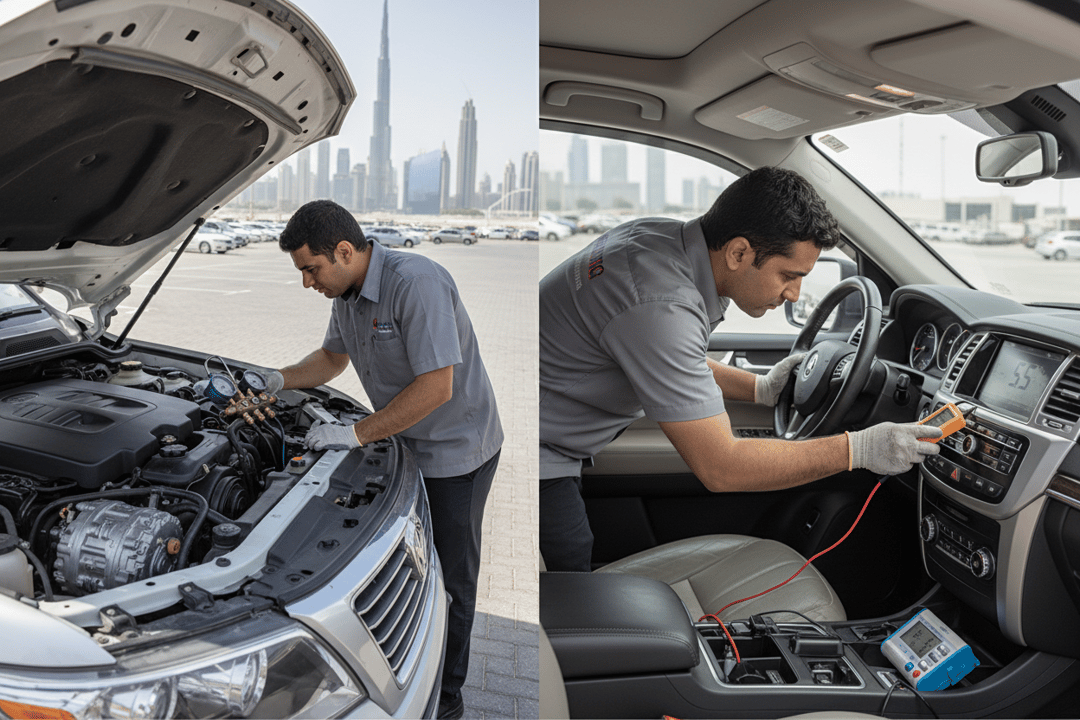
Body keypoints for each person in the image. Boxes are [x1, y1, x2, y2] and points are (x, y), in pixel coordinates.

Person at [538, 167, 941, 572]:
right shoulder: (659, 305)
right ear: (738, 253)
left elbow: (672, 361)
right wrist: (861, 449)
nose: (794, 294)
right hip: (538, 450)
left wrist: (761, 389)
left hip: (547, 434)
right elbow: (721, 467)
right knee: (569, 578)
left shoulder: (655, 239)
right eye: (789, 275)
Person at [267, 200, 502, 719]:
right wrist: (276, 380)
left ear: (345, 251)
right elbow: (331, 358)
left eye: (311, 269)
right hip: (405, 444)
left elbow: (437, 387)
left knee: (452, 581)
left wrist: (353, 434)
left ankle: (449, 699)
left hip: (455, 452)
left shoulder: (416, 283)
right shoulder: (347, 292)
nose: (308, 283)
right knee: (413, 567)